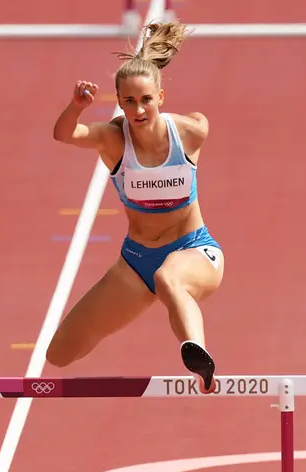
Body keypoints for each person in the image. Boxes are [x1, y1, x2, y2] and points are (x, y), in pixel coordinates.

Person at [47, 21, 224, 394]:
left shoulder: (190, 132)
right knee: (59, 354)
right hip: (136, 261)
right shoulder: (113, 139)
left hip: (195, 250)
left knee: (169, 277)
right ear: (119, 101)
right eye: (129, 101)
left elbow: (201, 123)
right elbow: (64, 134)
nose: (138, 109)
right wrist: (76, 106)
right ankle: (192, 345)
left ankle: (200, 357)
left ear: (160, 97)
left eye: (146, 100)